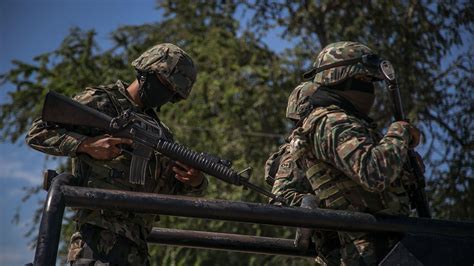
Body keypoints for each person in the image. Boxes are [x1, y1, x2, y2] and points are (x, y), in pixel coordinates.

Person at [26, 43, 208, 265]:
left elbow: (165, 187)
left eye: (173, 92)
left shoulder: (161, 134)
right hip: (96, 241)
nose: (167, 94)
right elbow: (38, 132)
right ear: (146, 71)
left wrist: (195, 181)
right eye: (164, 84)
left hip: (137, 248)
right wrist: (86, 145)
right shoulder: (102, 102)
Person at [268, 41, 421, 265]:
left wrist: (406, 170)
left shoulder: (349, 126)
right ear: (349, 79)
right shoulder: (330, 122)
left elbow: (386, 196)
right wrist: (399, 133)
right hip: (365, 253)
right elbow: (373, 172)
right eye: (367, 81)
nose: (371, 90)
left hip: (390, 248)